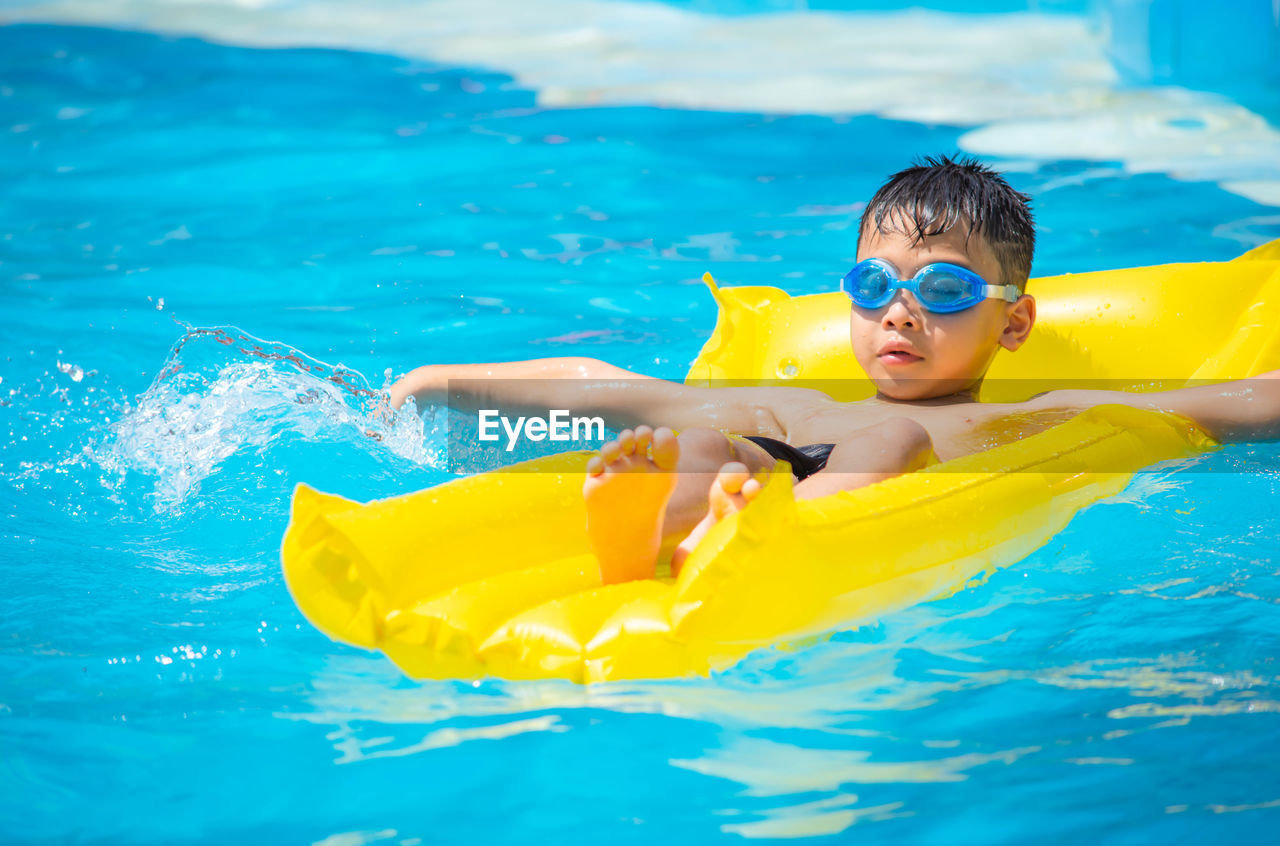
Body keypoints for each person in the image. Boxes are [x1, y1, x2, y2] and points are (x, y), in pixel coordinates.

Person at [390, 156, 1280, 584]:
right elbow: (610, 387)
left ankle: (729, 528)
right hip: (776, 470)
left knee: (889, 435)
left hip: (855, 493)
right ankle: (674, 521)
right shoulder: (791, 399)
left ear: (1014, 323)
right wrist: (444, 381)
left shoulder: (1039, 406)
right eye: (872, 286)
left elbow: (1221, 403)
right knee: (704, 436)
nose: (899, 311)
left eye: (941, 288)